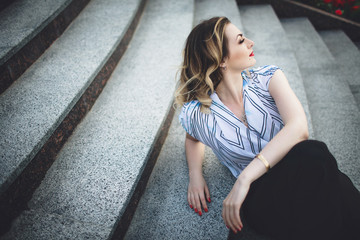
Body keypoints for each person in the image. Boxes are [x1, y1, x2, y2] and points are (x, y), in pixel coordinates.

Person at [173, 16, 360, 240]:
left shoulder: (268, 78)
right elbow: (192, 139)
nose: (251, 42)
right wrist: (196, 176)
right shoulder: (199, 114)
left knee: (314, 155)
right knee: (321, 167)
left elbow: (299, 128)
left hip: (297, 170)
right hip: (264, 192)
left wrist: (244, 179)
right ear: (221, 59)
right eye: (241, 41)